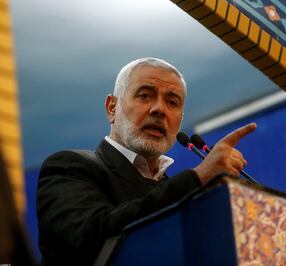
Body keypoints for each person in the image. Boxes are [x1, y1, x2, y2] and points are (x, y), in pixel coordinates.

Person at [36, 57, 256, 265]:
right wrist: (196, 178)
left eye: (172, 102)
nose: (159, 109)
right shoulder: (69, 167)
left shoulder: (181, 191)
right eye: (144, 96)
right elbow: (90, 239)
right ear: (112, 108)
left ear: (179, 120)